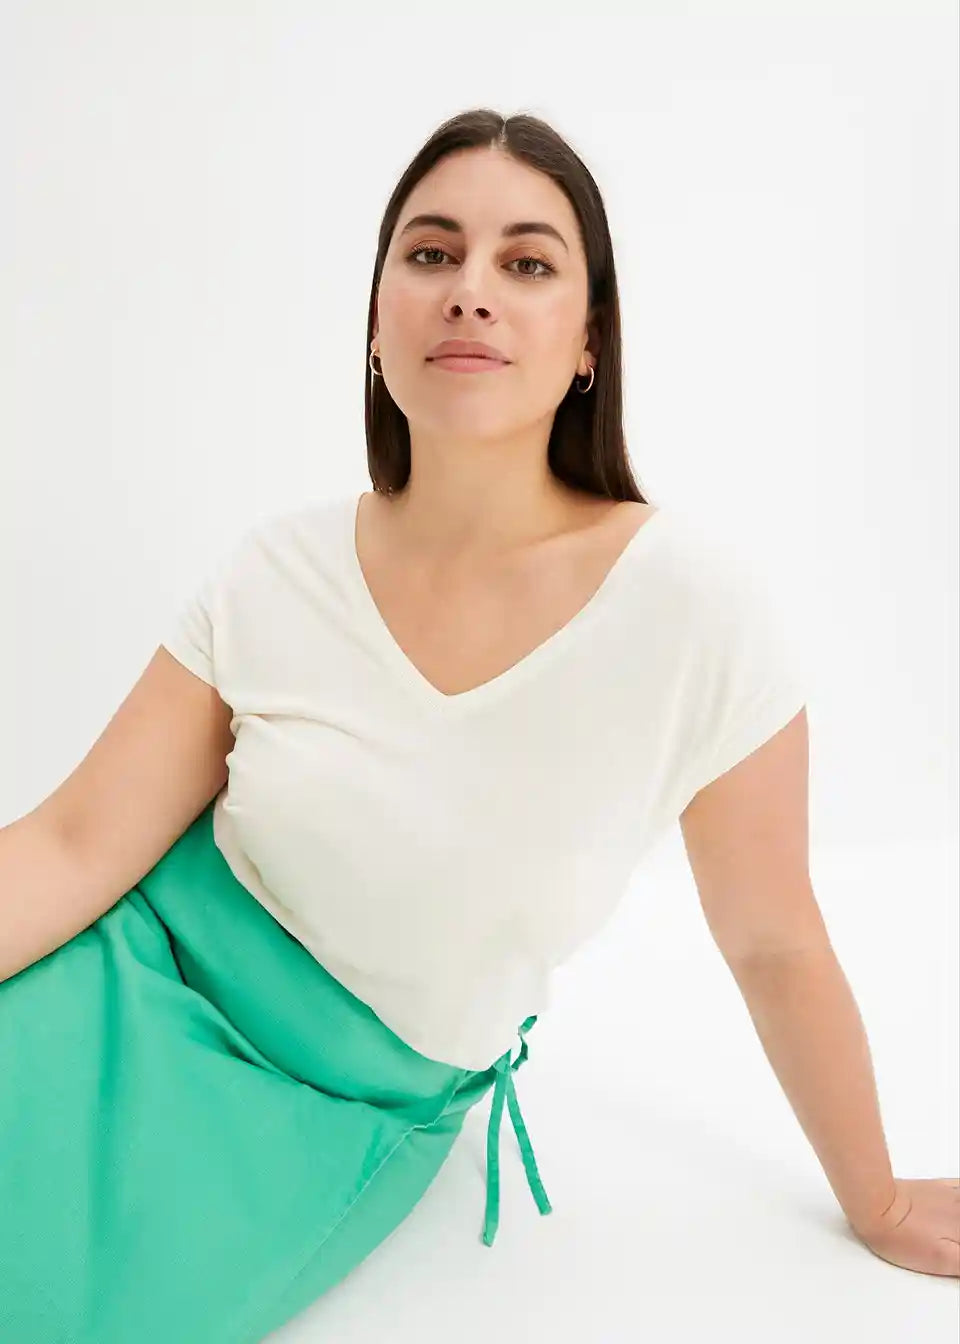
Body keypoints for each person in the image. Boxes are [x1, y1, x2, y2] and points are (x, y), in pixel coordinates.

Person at [3, 106, 956, 1344]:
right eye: (432, 253)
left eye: (527, 263)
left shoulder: (695, 614)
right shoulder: (274, 572)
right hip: (121, 973)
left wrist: (878, 1198)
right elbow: (74, 844)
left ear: (589, 342)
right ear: (377, 319)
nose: (470, 291)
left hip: (336, 1105)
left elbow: (775, 941)